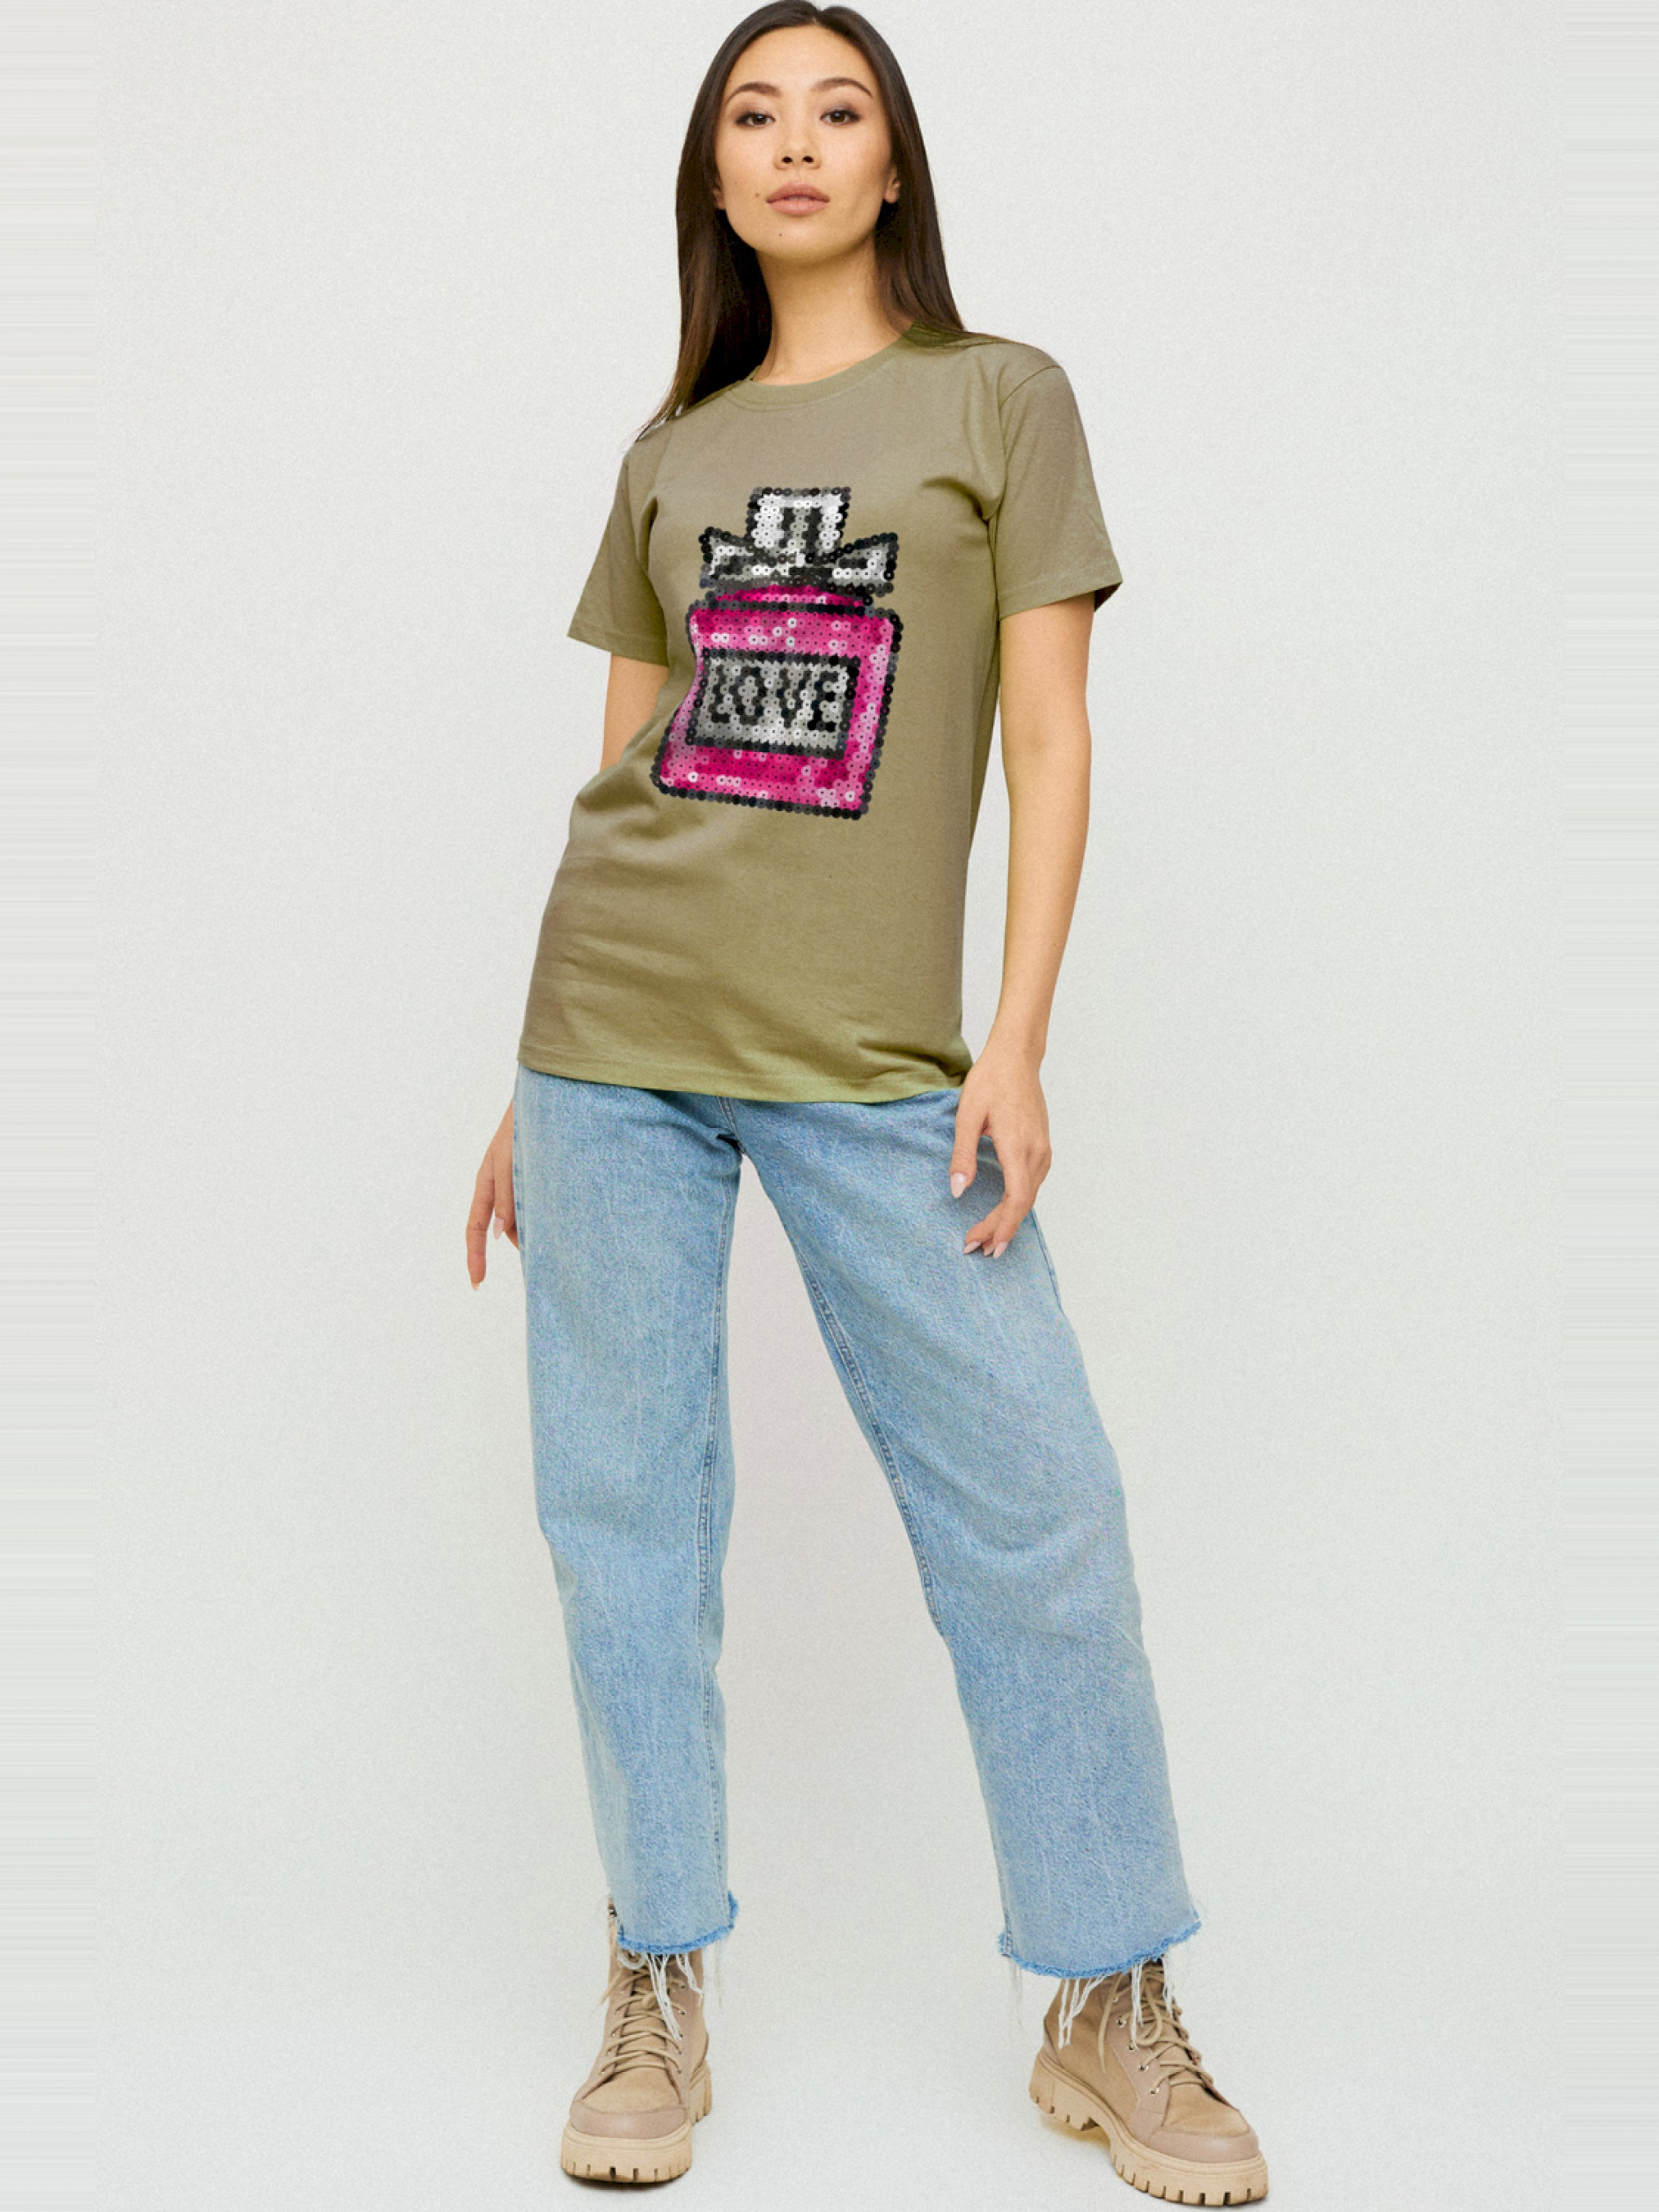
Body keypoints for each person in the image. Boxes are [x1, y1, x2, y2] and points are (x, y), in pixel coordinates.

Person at [466, 5, 1267, 2198]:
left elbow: (1049, 731)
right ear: (715, 177)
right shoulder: (673, 447)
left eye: (839, 111)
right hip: (612, 1039)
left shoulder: (1001, 397)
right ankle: (655, 1977)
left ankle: (1105, 2002)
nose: (797, 144)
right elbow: (625, 765)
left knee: (1040, 1513)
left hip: (877, 1065)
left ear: (894, 163)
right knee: (626, 1525)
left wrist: (1014, 1038)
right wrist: (527, 1079)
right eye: (755, 115)